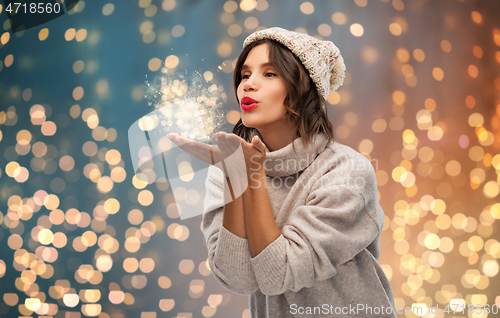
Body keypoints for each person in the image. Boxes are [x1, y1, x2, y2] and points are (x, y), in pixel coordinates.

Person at [168, 27, 396, 318]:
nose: (248, 85)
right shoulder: (228, 167)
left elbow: (279, 274)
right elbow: (237, 279)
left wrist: (250, 176)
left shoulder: (346, 171)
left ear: (303, 89)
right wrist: (237, 175)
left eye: (270, 74)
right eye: (245, 75)